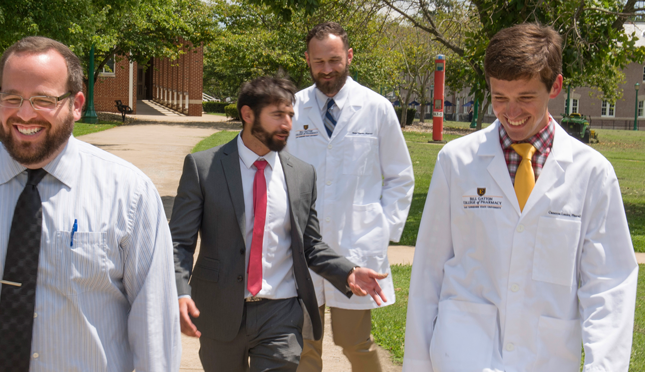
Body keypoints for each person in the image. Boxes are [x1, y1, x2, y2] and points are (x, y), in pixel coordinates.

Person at [0, 36, 180, 372]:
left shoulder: (129, 193)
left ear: (77, 103)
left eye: (43, 99)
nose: (24, 114)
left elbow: (153, 322)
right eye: (11, 97)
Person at [403, 23, 638, 371]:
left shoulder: (591, 173)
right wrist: (417, 365)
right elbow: (428, 274)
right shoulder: (456, 161)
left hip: (546, 356)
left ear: (554, 86)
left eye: (525, 97)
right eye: (499, 98)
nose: (511, 113)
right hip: (463, 352)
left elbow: (608, 283)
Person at [170, 75, 390, 372]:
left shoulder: (301, 174)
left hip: (281, 313)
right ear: (247, 114)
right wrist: (180, 291)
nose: (287, 124)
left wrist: (347, 271)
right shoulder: (203, 168)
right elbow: (180, 242)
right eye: (277, 115)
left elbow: (310, 244)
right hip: (220, 309)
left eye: (290, 115)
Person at [285, 22, 414, 372]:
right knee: (304, 346)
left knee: (355, 343)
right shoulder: (293, 109)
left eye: (334, 60)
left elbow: (400, 177)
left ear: (349, 56)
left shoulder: (376, 107)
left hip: (355, 247)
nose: (327, 69)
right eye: (318, 61)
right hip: (304, 248)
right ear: (308, 61)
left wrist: (381, 230)